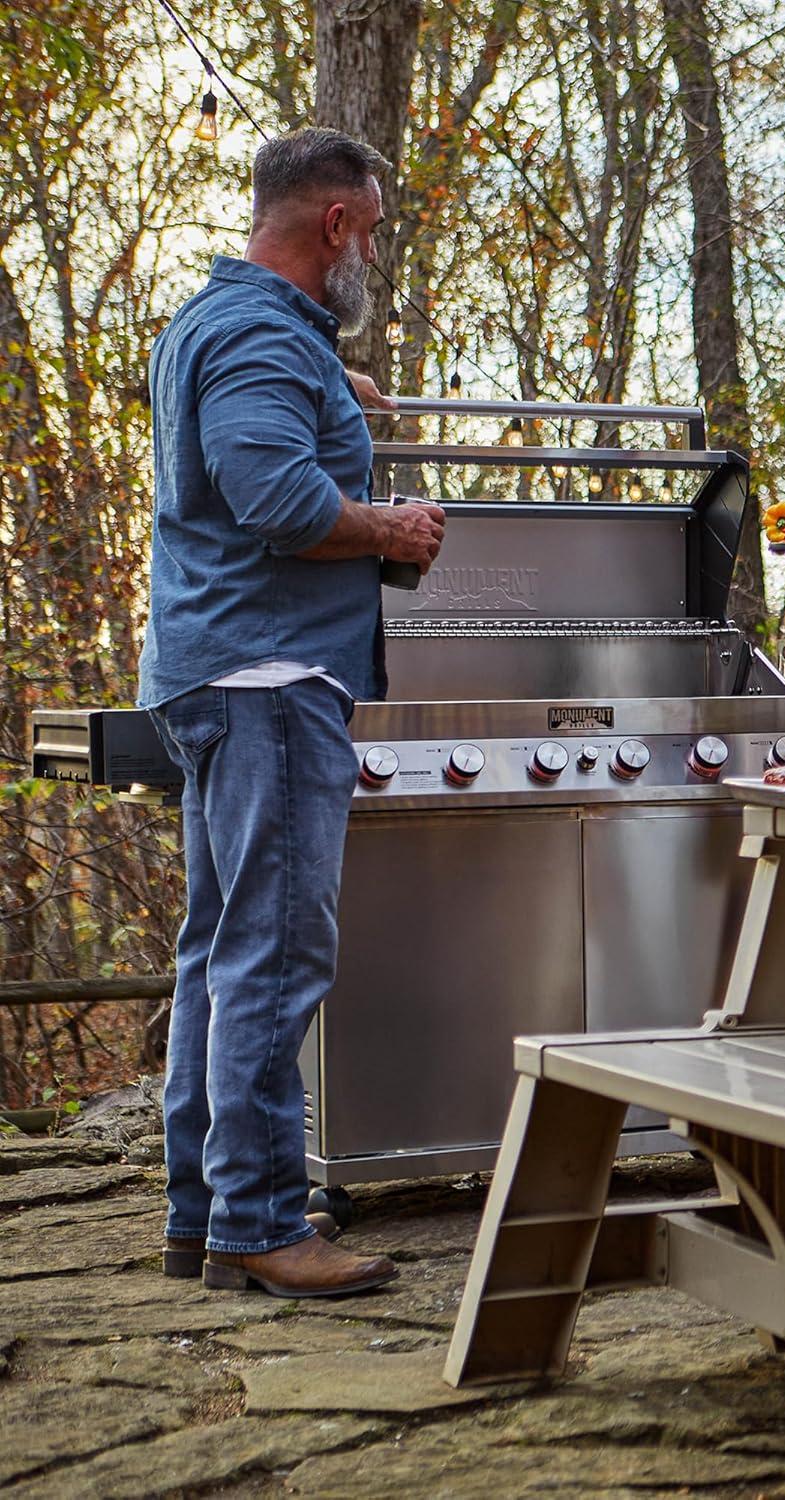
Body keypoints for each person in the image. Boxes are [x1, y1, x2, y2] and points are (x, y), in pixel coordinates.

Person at [138, 127, 446, 1297]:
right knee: (269, 956)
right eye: (368, 230)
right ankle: (264, 1228)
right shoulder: (263, 331)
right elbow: (271, 496)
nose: (371, 253)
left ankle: (201, 1217)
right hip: (269, 680)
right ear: (335, 227)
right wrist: (392, 529)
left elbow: (260, 443)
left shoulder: (222, 325)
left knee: (218, 951)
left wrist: (335, 393)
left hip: (217, 671)